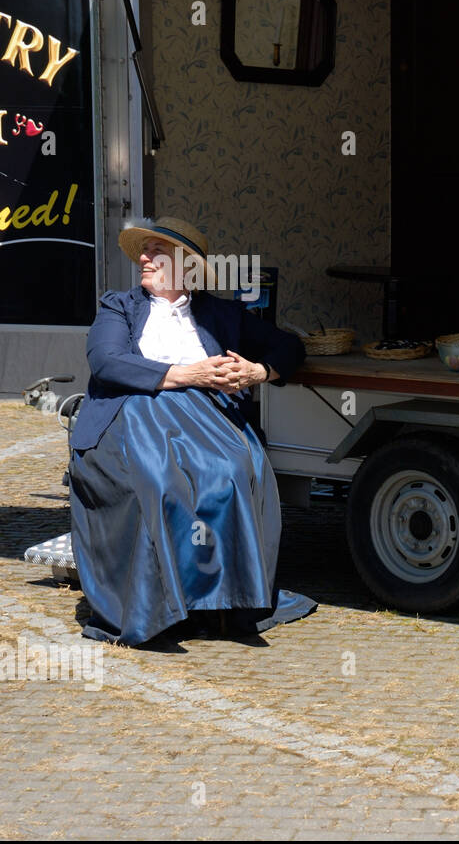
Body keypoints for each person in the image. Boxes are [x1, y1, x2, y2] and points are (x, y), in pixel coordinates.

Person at [68, 216, 317, 646]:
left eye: (156, 253)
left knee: (236, 471)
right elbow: (106, 362)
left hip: (207, 419)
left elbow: (290, 345)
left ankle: (221, 601)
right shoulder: (119, 307)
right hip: (133, 415)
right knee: (157, 479)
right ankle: (161, 605)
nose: (143, 259)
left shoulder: (221, 314)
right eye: (143, 252)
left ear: (186, 268)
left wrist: (259, 371)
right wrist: (188, 373)